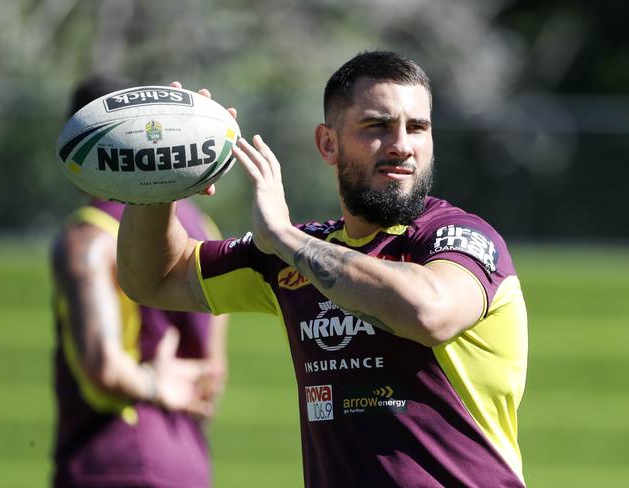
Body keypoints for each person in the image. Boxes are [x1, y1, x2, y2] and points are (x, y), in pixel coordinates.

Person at [117, 51, 528, 487]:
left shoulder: (459, 237)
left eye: (418, 127)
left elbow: (429, 312)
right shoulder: (291, 256)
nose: (402, 145)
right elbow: (155, 279)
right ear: (328, 143)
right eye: (377, 127)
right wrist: (157, 182)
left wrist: (287, 239)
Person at [51, 75, 228, 488]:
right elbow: (212, 377)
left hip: (111, 458)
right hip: (186, 461)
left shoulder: (89, 236)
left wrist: (153, 383)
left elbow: (103, 369)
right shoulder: (205, 227)